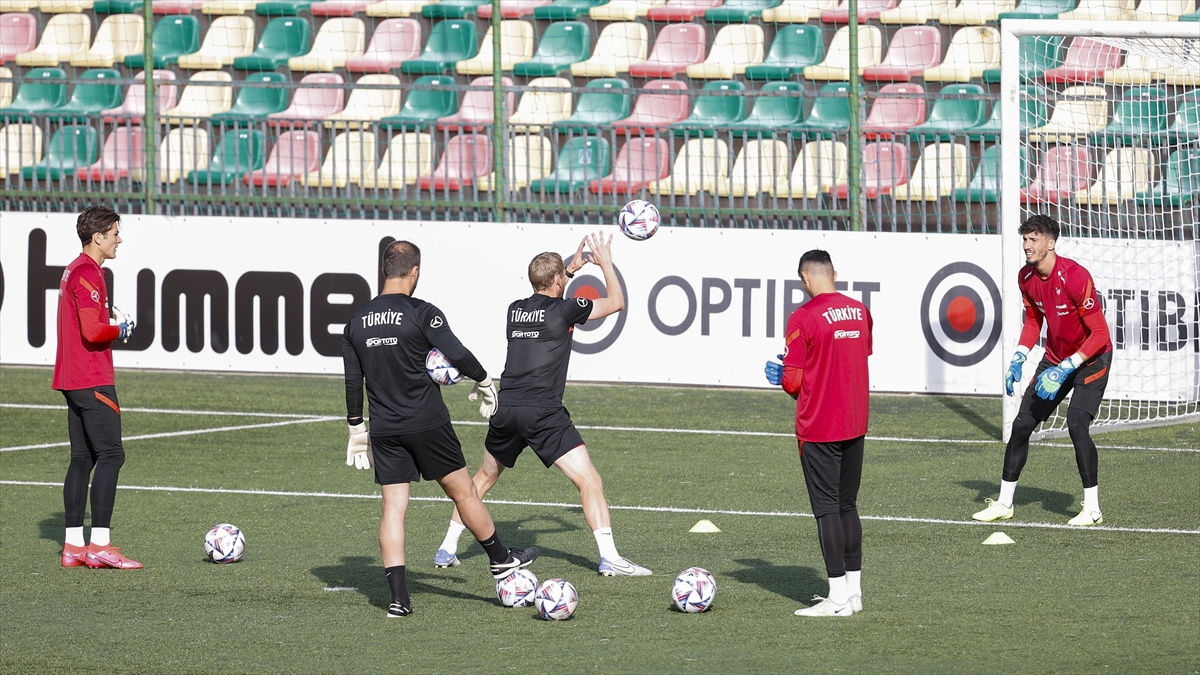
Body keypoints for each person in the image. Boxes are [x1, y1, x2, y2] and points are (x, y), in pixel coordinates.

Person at [432, 233, 652, 577]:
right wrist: (605, 262)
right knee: (589, 481)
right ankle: (610, 558)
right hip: (543, 413)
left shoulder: (514, 310)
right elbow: (616, 302)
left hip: (506, 410)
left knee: (482, 480)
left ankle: (446, 548)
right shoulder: (568, 308)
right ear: (559, 281)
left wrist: (570, 268)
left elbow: (548, 288)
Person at [342, 240, 539, 618]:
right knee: (464, 493)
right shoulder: (422, 312)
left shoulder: (356, 321)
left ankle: (399, 600)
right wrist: (483, 381)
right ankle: (500, 559)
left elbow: (354, 381)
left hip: (385, 428)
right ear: (414, 272)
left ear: (386, 270)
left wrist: (355, 427)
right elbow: (457, 352)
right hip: (427, 423)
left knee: (393, 510)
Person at [973, 215, 1113, 526]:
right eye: (1025, 239)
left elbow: (1101, 335)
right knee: (1021, 425)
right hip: (1055, 359)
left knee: (1077, 425)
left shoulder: (1075, 277)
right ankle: (1004, 503)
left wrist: (1066, 367)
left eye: (1033, 239)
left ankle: (1092, 508)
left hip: (1092, 359)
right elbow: (1035, 321)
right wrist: (1019, 357)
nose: (1027, 245)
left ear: (1051, 243)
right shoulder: (1026, 277)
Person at [765, 249, 872, 617]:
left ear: (805, 278)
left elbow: (794, 381)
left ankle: (837, 597)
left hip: (819, 425)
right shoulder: (860, 311)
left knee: (826, 510)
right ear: (834, 274)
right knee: (847, 506)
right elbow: (854, 357)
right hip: (855, 423)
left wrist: (783, 377)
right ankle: (853, 594)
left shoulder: (803, 316)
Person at [56, 206, 140, 570]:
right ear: (98, 236)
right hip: (92, 378)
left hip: (72, 378)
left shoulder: (73, 269)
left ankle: (74, 545)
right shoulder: (89, 274)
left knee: (82, 458)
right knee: (111, 455)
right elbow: (93, 332)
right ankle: (100, 545)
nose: (120, 239)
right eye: (115, 233)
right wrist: (119, 329)